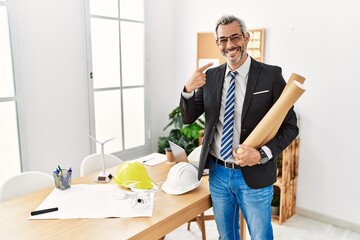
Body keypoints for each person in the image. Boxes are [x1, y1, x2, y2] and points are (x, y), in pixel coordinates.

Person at [180, 15, 298, 240]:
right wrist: (188, 89)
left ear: (246, 37)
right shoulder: (211, 77)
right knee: (226, 236)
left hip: (254, 174)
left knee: (261, 237)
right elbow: (188, 118)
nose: (230, 45)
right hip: (218, 173)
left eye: (235, 37)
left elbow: (291, 127)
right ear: (218, 44)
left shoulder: (270, 75)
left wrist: (262, 154)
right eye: (223, 40)